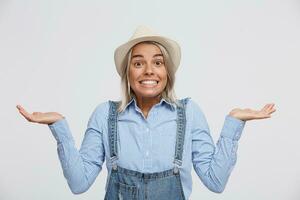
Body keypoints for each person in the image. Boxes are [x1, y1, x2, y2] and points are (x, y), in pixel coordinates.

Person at [16, 25, 276, 200]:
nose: (149, 70)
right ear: (127, 73)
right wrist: (59, 127)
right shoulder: (105, 116)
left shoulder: (189, 113)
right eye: (138, 63)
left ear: (167, 73)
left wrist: (234, 123)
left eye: (158, 62)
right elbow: (78, 183)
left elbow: (215, 182)